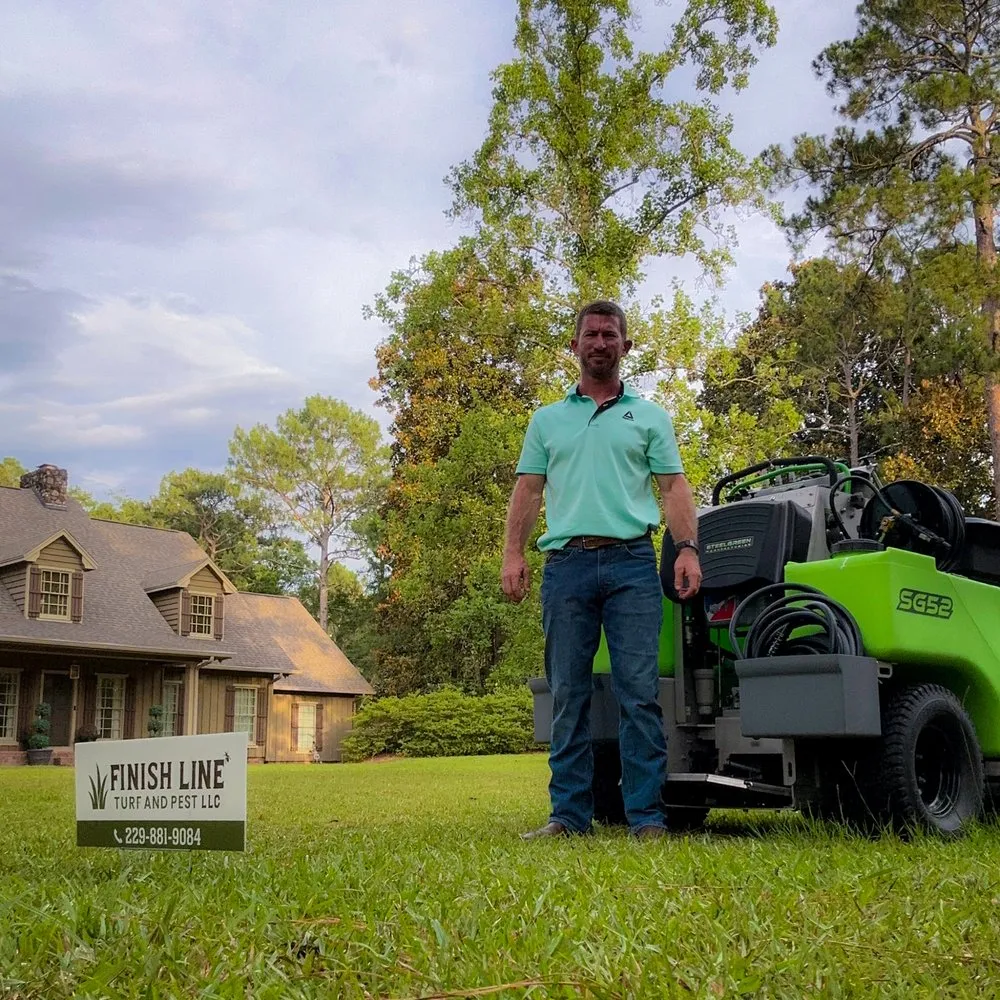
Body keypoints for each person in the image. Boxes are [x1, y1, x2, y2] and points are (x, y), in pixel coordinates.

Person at [501, 299, 702, 840]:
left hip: (633, 564)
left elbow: (674, 488)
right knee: (569, 692)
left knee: (638, 692)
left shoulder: (651, 417)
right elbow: (528, 490)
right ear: (575, 345)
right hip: (565, 566)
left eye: (610, 334)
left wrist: (687, 548)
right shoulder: (547, 420)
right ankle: (568, 816)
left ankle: (647, 818)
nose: (599, 342)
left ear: (625, 346)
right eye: (590, 334)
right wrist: (513, 554)